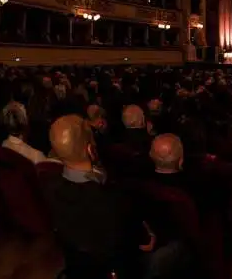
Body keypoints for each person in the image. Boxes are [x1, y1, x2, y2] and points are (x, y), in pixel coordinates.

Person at [42, 115, 189, 279]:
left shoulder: (44, 189)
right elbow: (145, 243)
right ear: (91, 150)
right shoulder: (115, 197)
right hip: (118, 268)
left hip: (77, 267)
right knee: (178, 247)